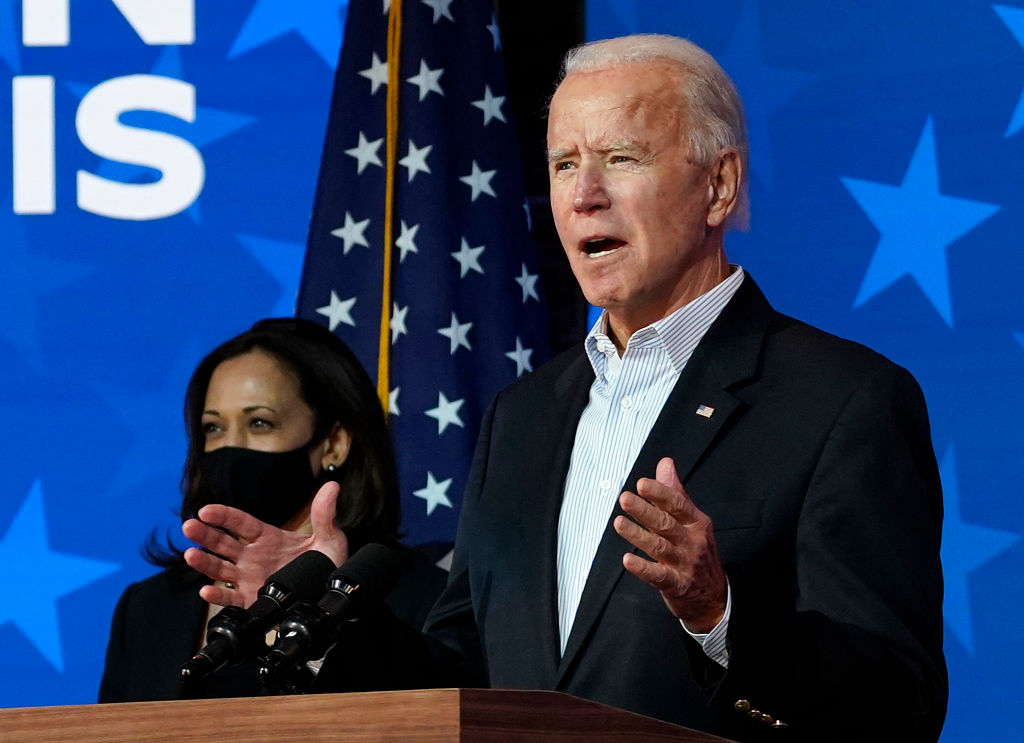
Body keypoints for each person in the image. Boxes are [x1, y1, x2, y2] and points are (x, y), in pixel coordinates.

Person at [184, 35, 947, 742]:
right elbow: (462, 678)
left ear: (719, 185)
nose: (583, 195)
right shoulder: (522, 418)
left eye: (620, 158)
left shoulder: (842, 400)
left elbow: (899, 703)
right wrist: (326, 615)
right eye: (562, 164)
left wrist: (721, 614)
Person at [98, 318, 447, 702]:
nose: (232, 447)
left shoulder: (423, 593)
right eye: (214, 428)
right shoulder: (148, 608)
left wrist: (324, 616)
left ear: (333, 444)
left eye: (260, 422)